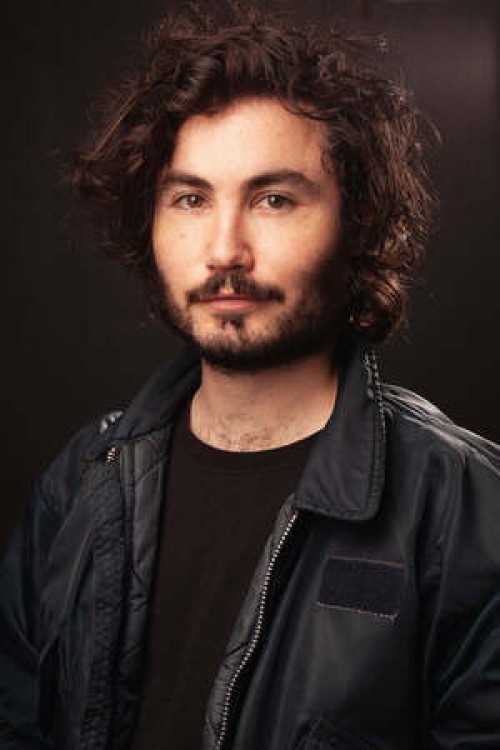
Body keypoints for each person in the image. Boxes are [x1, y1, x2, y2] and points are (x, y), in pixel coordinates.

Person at [1, 3, 499, 749]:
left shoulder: (467, 507)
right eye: (191, 198)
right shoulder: (82, 480)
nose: (224, 249)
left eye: (273, 199)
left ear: (357, 222)